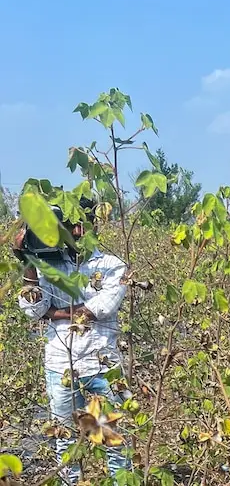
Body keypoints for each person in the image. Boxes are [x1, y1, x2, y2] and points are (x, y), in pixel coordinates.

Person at [15, 197, 131, 484]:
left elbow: (99, 309)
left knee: (114, 440)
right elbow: (32, 309)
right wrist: (27, 262)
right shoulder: (44, 264)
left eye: (84, 223)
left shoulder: (112, 265)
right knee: (65, 441)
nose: (77, 231)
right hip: (59, 366)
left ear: (95, 224)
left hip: (104, 366)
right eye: (71, 225)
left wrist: (53, 313)